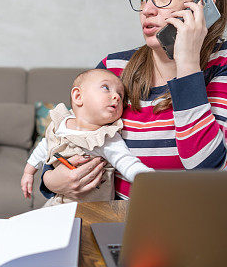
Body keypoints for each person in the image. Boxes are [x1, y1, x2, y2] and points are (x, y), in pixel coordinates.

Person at [42, 0, 227, 201]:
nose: (147, 9)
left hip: (197, 226)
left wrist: (187, 61)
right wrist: (52, 179)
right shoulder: (113, 68)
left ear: (204, 0)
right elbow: (71, 135)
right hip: (118, 222)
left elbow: (206, 168)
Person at [21, 69, 151, 206]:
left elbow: (128, 163)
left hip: (92, 210)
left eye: (120, 95)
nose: (117, 97)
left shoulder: (106, 138)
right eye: (106, 88)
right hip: (57, 202)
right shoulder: (61, 124)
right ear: (78, 96)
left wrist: (152, 179)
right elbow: (45, 145)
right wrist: (29, 172)